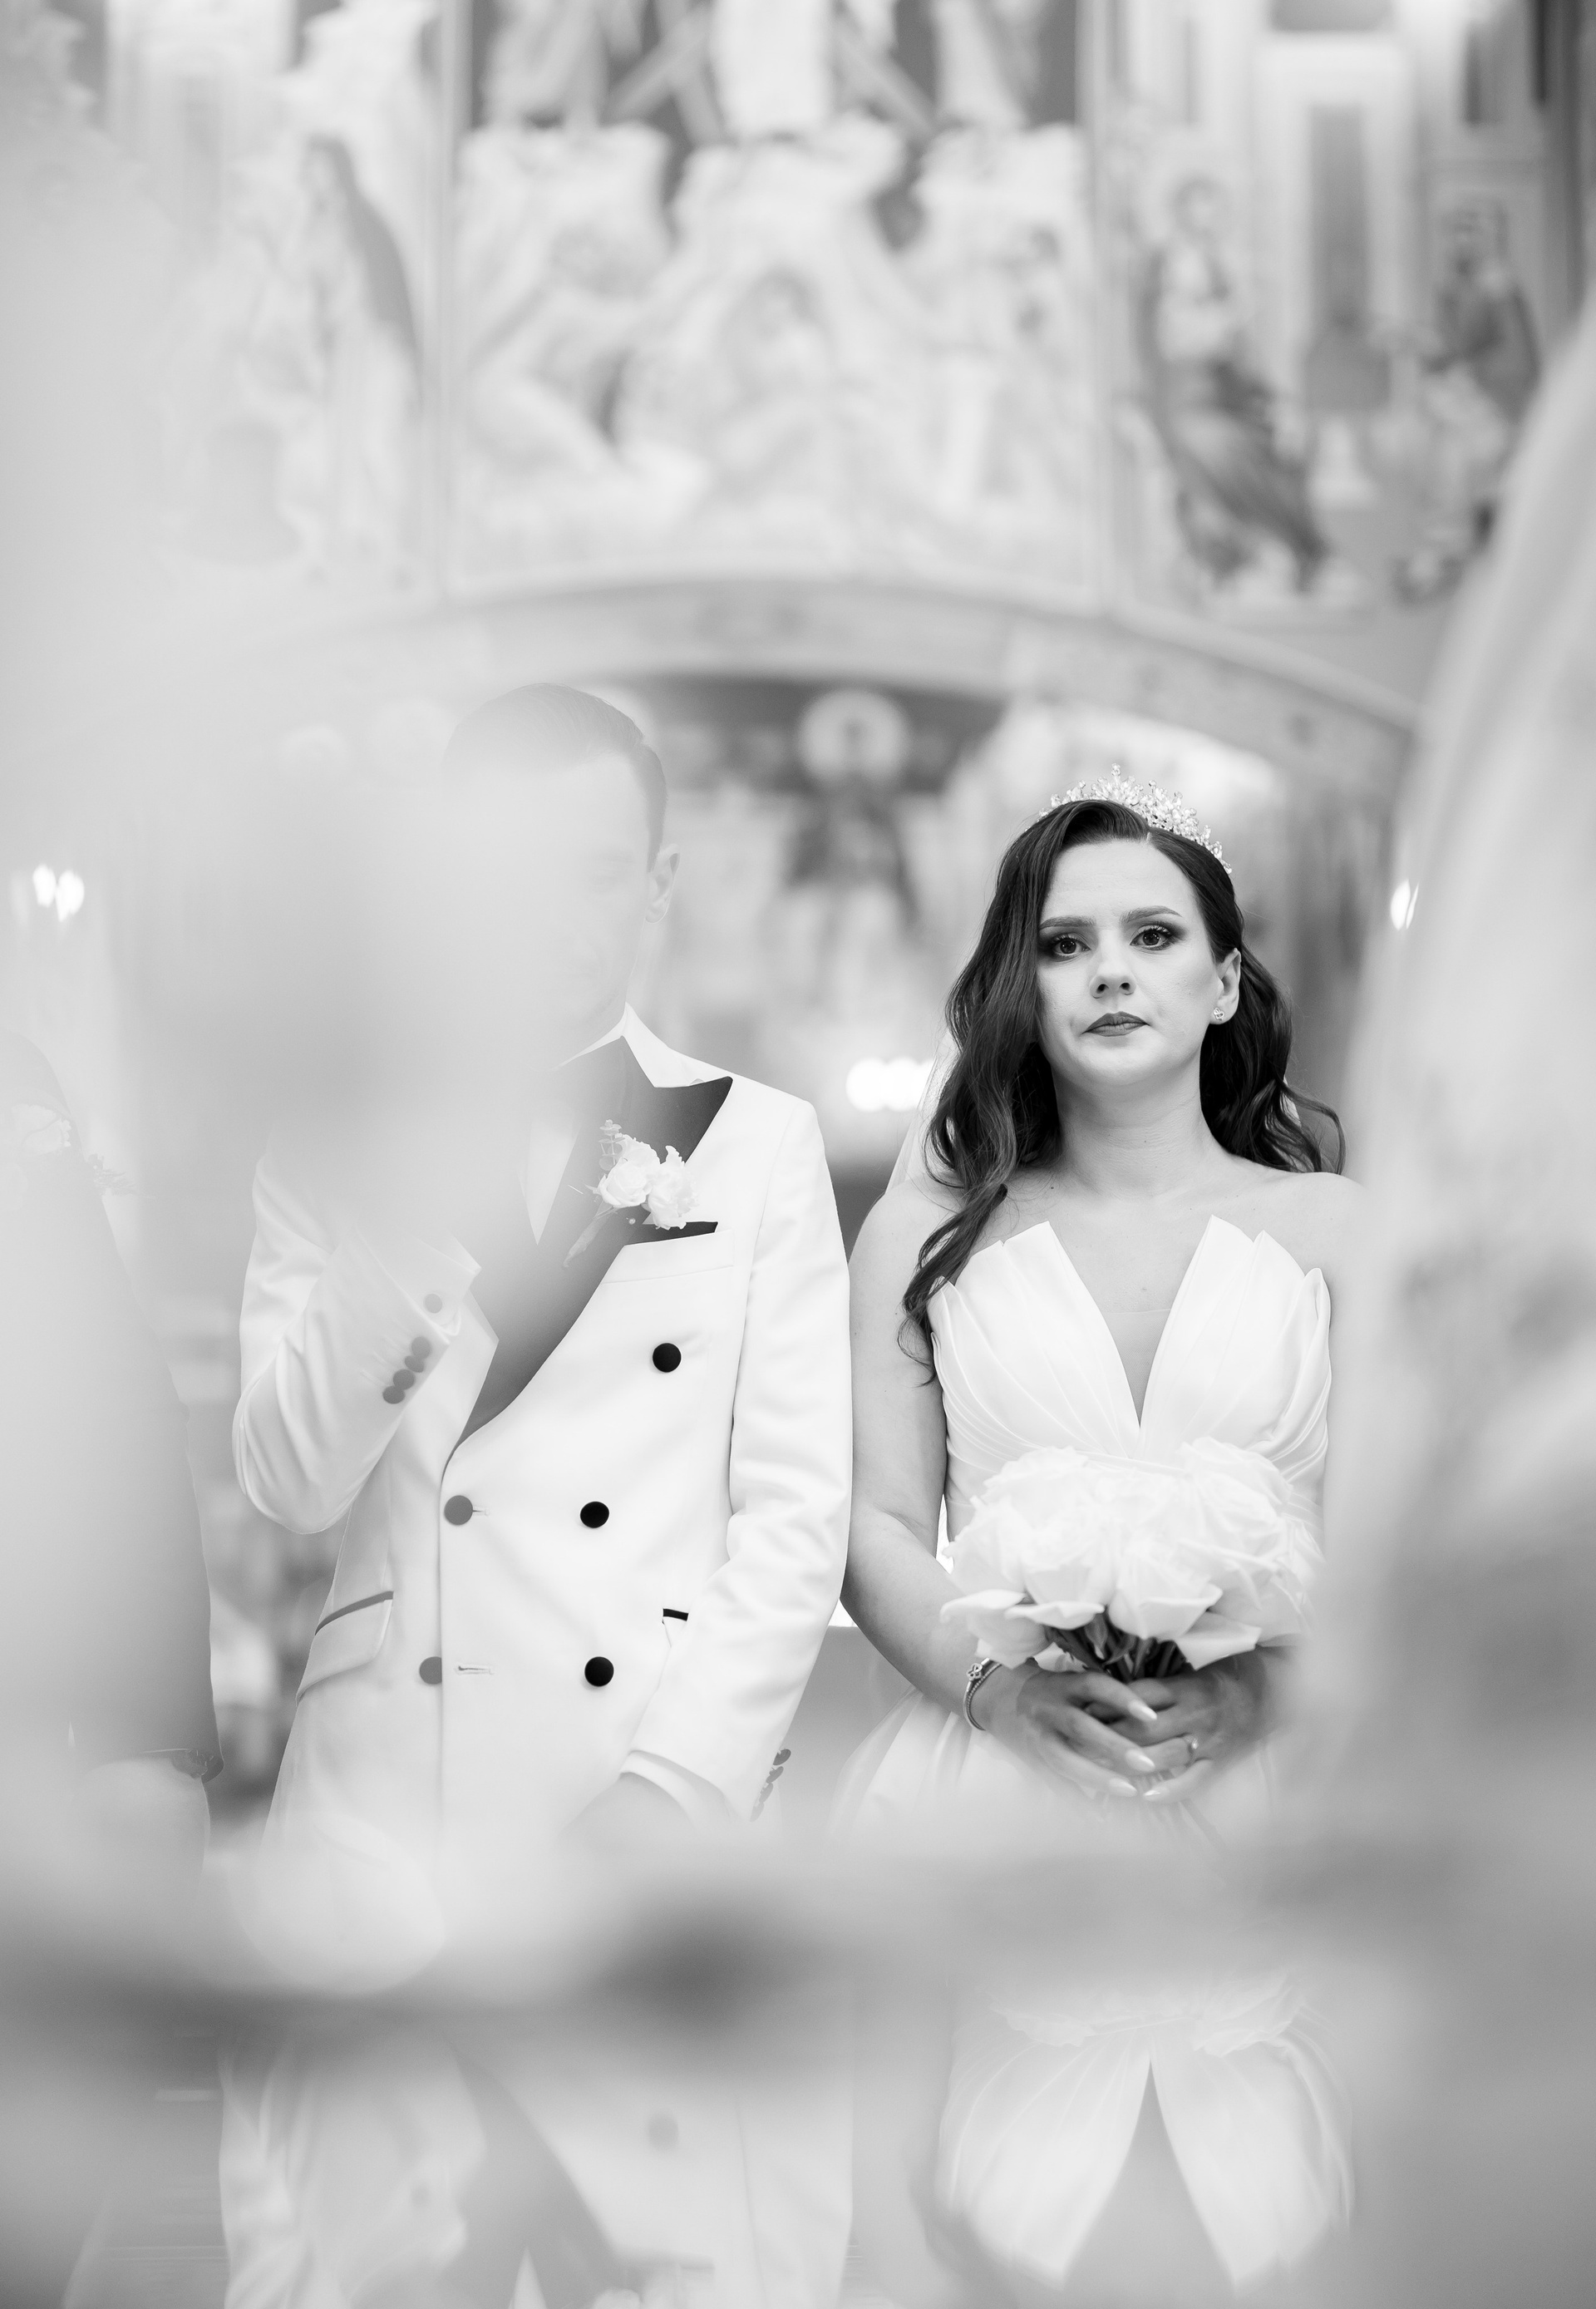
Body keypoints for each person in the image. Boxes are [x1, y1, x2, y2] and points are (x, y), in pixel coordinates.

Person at [221, 684, 853, 2308]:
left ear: (657, 887)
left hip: (632, 1809)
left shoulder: (759, 1148)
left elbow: (795, 1523)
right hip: (377, 1838)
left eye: (596, 873)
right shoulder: (337, 1142)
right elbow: (287, 1481)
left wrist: (672, 1796)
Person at [839, 776, 1359, 2304]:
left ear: (1225, 981)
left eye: (1152, 936)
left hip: (1283, 1790)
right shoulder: (930, 1235)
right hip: (992, 1787)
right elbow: (875, 1520)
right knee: (986, 2219)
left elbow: (1397, 1547)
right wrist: (999, 1693)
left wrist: (1268, 1688)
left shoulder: (1342, 1230)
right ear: (1024, 984)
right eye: (1066, 945)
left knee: (1270, 2223)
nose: (1111, 972)